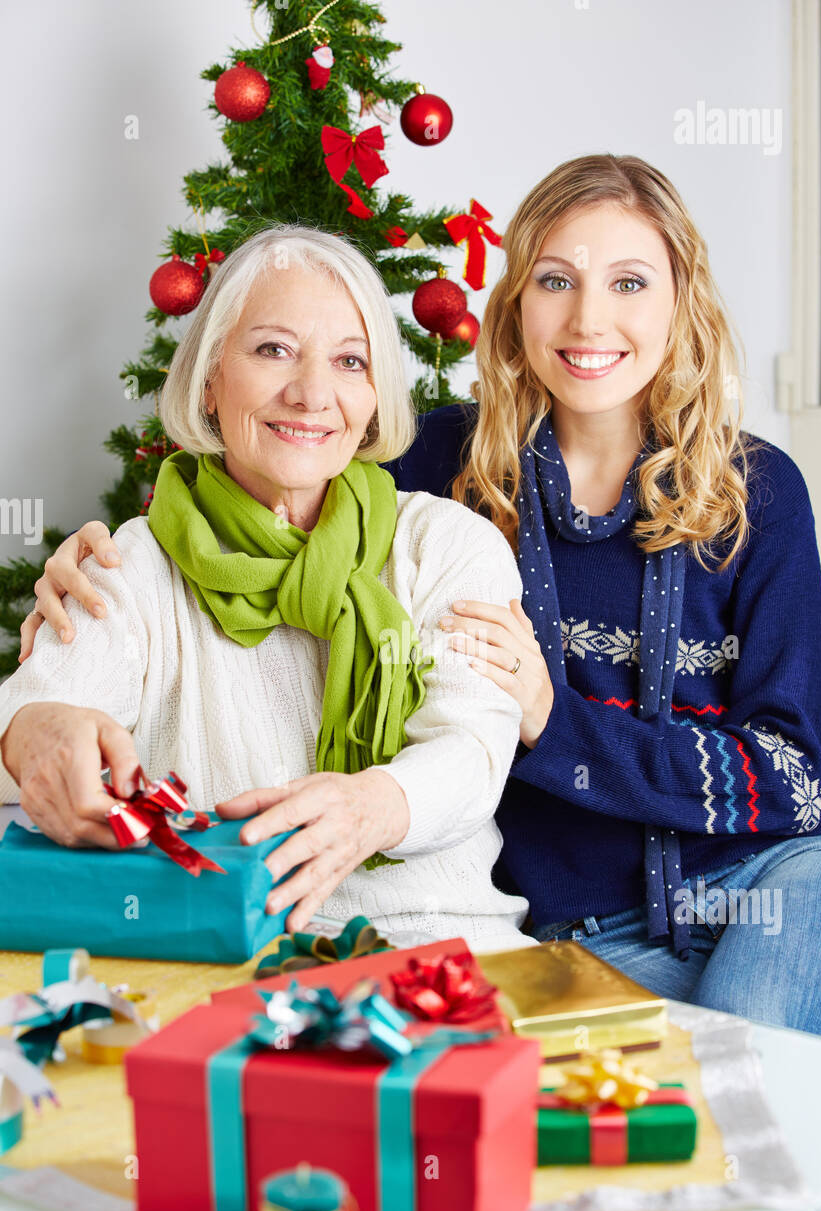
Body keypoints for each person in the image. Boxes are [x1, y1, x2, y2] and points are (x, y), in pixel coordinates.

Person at [18, 156, 821, 1211]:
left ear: (681, 303)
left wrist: (555, 727)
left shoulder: (753, 490)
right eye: (555, 280)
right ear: (513, 303)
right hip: (581, 920)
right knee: (644, 1159)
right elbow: (288, 466)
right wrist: (71, 615)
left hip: (771, 870)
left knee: (741, 1079)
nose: (589, 319)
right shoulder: (443, 472)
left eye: (629, 283)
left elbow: (794, 778)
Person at [0, 224, 533, 954]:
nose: (313, 393)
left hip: (436, 942)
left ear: (374, 396)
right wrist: (29, 735)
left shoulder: (446, 543)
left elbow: (473, 749)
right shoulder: (133, 562)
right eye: (273, 349)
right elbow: (40, 712)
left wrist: (371, 807)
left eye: (350, 361)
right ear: (210, 378)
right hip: (212, 949)